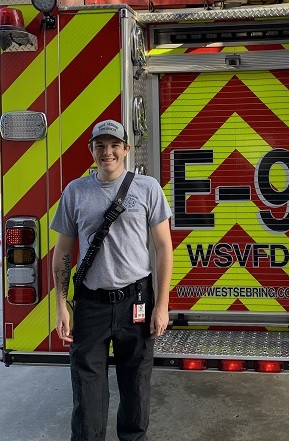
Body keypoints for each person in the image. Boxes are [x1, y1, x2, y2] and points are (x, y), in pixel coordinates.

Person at [50, 119, 173, 441]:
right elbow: (63, 252)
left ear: (126, 150)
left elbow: (163, 248)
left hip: (137, 301)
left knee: (136, 386)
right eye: (100, 145)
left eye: (114, 145)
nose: (108, 152)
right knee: (88, 391)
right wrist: (62, 306)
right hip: (91, 304)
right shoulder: (75, 191)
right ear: (91, 150)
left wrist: (162, 306)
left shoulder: (147, 188)